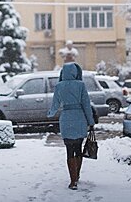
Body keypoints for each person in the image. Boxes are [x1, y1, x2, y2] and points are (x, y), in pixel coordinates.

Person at [47, 62, 95, 190]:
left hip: (66, 118)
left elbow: (55, 104)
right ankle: (77, 175)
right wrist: (91, 121)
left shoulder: (59, 86)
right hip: (79, 118)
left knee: (69, 150)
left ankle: (72, 180)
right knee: (78, 148)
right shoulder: (81, 85)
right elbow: (86, 104)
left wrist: (50, 114)